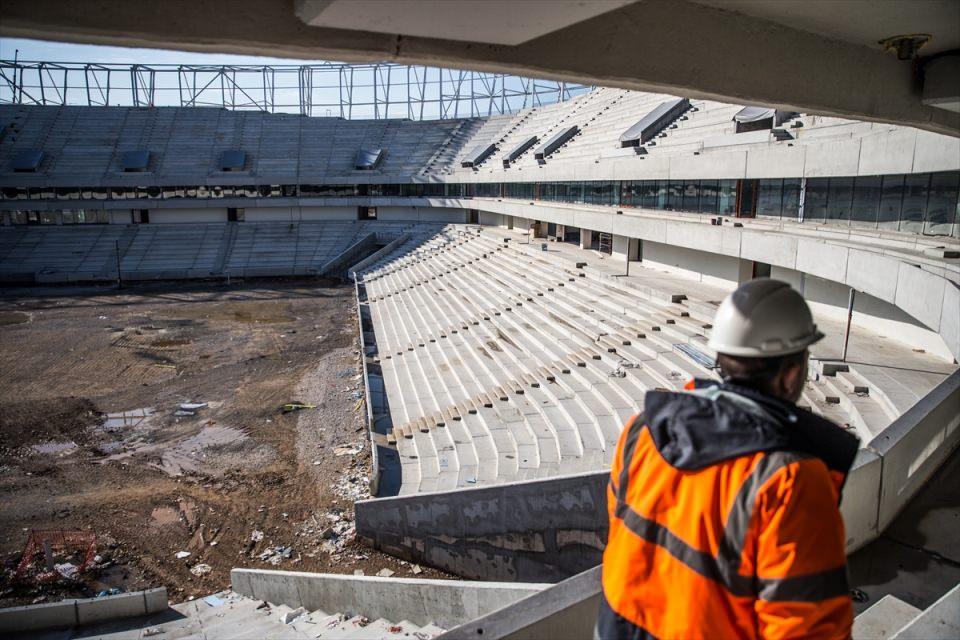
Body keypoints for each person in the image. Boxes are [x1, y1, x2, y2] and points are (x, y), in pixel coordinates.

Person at [597, 278, 859, 640]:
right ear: (793, 372)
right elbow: (807, 629)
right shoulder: (790, 480)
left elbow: (621, 533)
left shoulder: (642, 431)